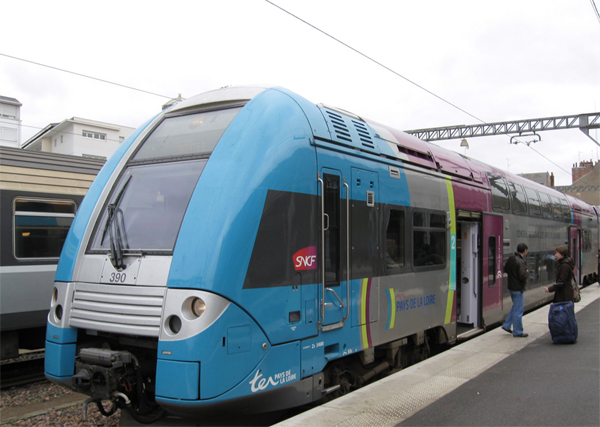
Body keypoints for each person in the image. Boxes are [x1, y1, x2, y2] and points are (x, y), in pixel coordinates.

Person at [502, 243, 529, 337]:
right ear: (525, 250)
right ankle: (518, 331)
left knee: (515, 307)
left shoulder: (511, 258)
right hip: (518, 288)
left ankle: (506, 325)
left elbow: (505, 269)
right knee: (518, 310)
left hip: (511, 287)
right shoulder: (521, 261)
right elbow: (522, 276)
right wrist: (527, 273)